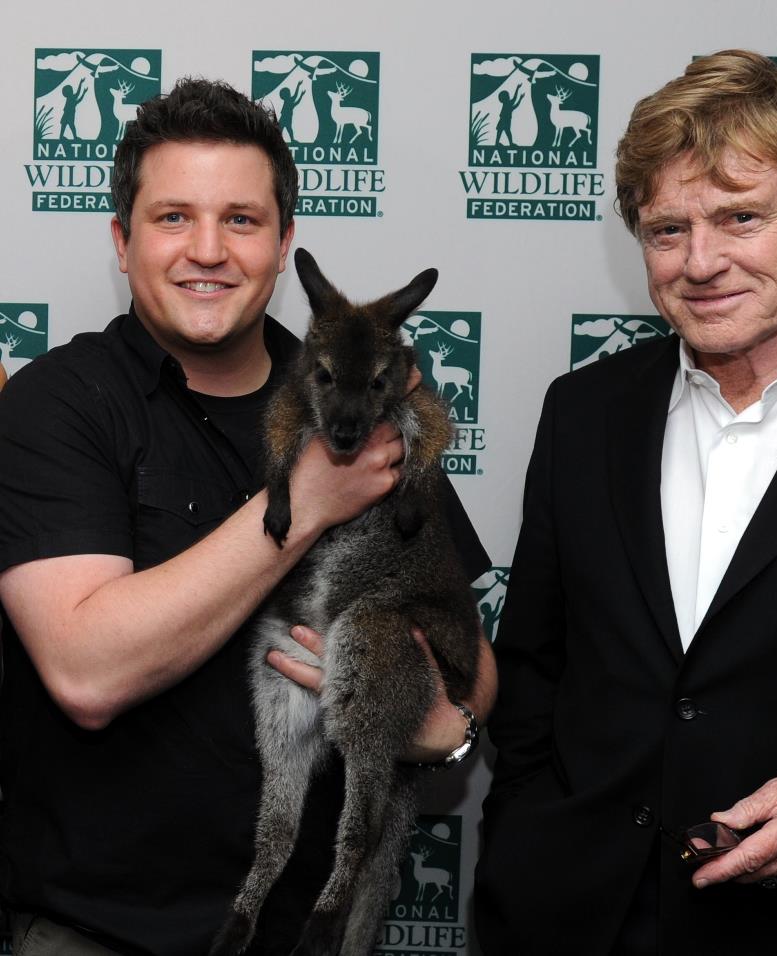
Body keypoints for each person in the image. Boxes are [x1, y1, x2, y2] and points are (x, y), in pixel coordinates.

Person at [475, 50, 777, 955]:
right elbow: (536, 669)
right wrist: (528, 842)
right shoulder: (584, 411)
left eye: (741, 217)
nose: (701, 263)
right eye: (666, 231)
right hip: (574, 921)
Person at [0, 78, 496, 956]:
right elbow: (87, 672)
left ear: (283, 243)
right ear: (122, 241)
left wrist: (442, 725)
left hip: (312, 930)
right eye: (171, 218)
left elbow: (470, 665)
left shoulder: (366, 394)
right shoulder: (57, 407)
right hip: (103, 932)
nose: (208, 251)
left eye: (240, 220)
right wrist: (307, 502)